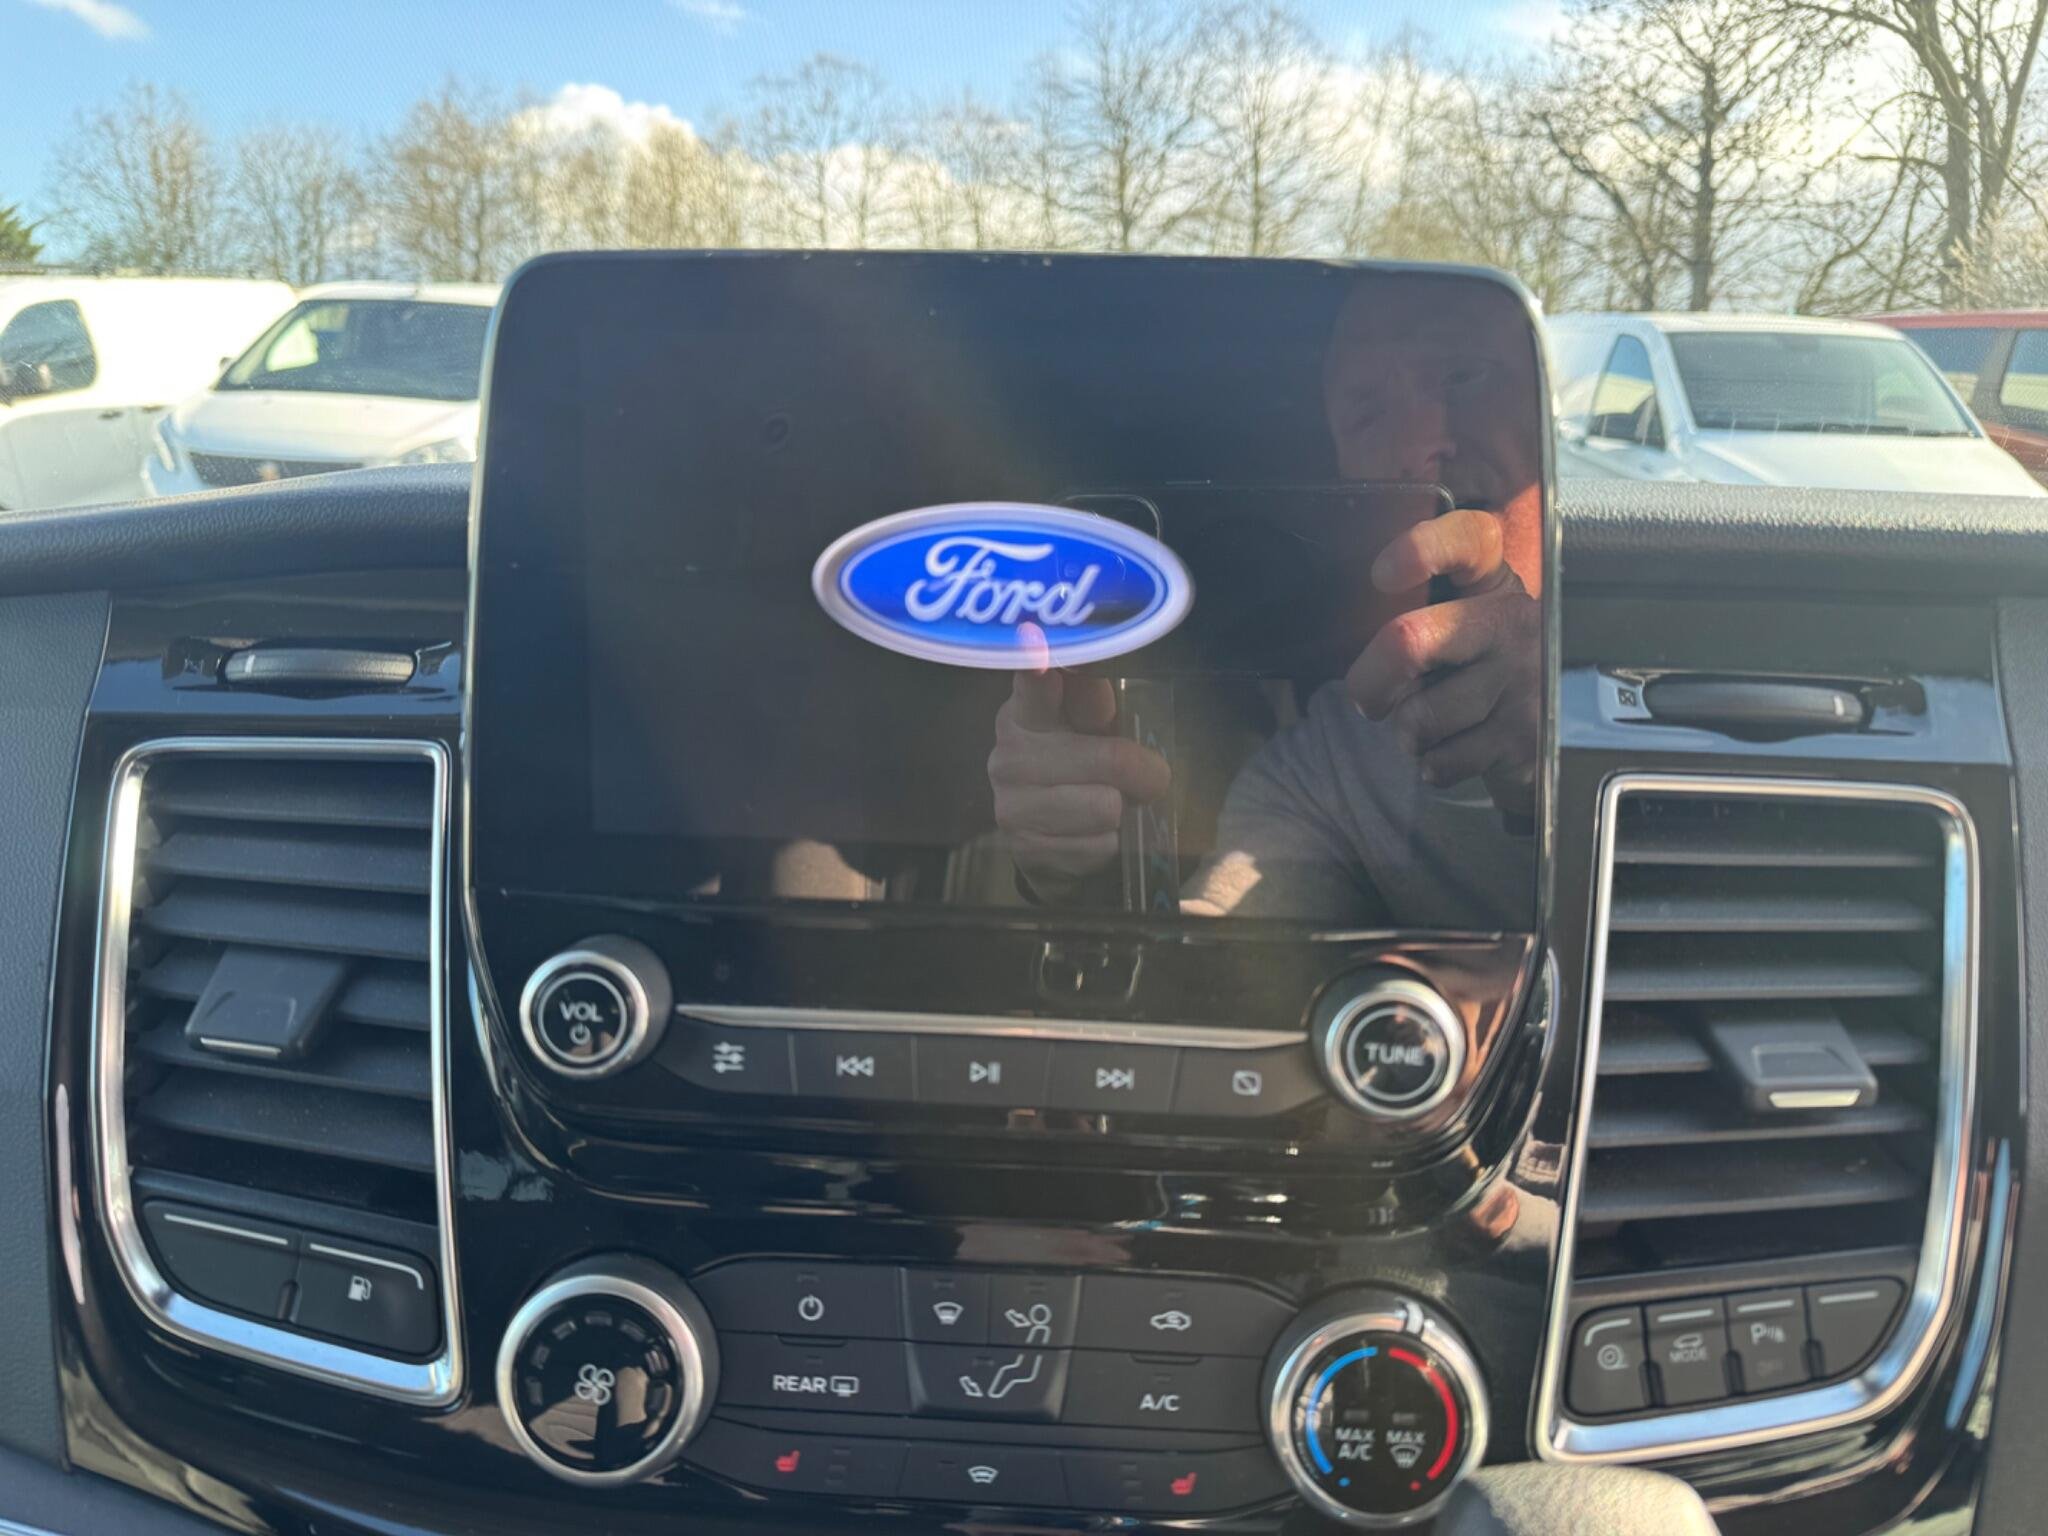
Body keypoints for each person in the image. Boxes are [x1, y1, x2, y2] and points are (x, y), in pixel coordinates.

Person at [986, 276, 1543, 927]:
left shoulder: (1642, 630)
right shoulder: (1324, 765)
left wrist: (1558, 759)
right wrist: (1078, 884)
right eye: (1367, 413)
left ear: (1549, 415)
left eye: (1463, 377)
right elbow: (1222, 945)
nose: (1420, 446)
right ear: (1346, 480)